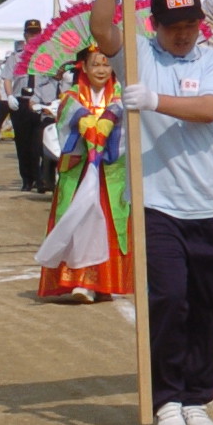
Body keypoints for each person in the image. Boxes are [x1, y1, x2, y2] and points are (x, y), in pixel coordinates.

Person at [93, 0, 213, 425]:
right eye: (174, 27)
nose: (183, 35)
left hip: (212, 205)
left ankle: (198, 396)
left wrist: (154, 101)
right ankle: (167, 398)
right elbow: (100, 29)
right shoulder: (137, 56)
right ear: (154, 25)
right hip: (158, 205)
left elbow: (210, 110)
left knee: (207, 307)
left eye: (191, 25)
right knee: (169, 300)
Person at [36, 46, 133, 303]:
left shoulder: (121, 93)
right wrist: (84, 120)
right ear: (84, 68)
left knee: (111, 224)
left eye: (106, 64)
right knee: (79, 222)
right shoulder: (72, 95)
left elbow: (123, 111)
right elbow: (68, 110)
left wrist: (111, 116)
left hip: (110, 173)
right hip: (80, 171)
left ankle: (105, 283)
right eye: (95, 65)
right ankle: (80, 281)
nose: (101, 70)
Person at [9, 20, 60, 194]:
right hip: (21, 101)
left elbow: (55, 78)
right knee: (23, 144)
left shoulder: (49, 56)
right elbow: (7, 78)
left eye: (36, 33)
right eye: (30, 33)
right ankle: (27, 179)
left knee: (40, 143)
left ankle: (42, 179)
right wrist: (9, 95)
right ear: (25, 36)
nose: (33, 37)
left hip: (43, 103)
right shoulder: (16, 57)